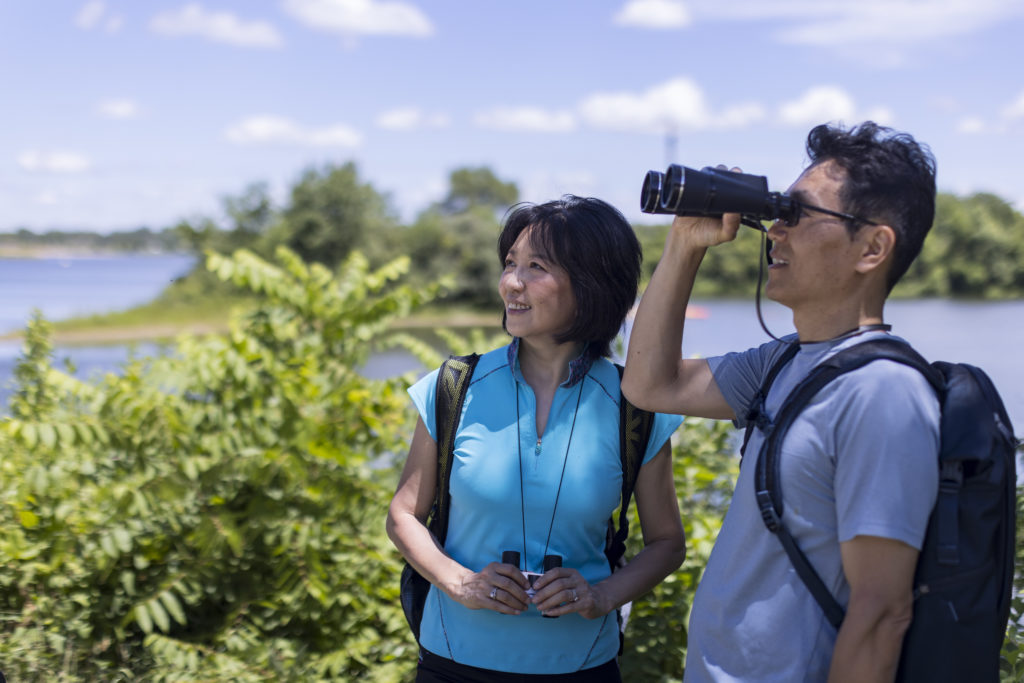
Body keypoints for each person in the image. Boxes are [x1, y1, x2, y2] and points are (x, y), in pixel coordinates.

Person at [622, 122, 940, 682]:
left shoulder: (881, 391)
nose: (774, 232)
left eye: (798, 215)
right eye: (777, 213)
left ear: (873, 247)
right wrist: (684, 244)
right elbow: (650, 385)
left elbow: (882, 612)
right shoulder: (781, 364)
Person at [387, 195, 687, 682]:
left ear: (591, 284)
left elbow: (667, 543)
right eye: (509, 264)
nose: (512, 282)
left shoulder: (637, 404)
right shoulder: (454, 387)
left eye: (536, 267)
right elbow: (403, 516)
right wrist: (459, 582)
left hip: (584, 668)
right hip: (452, 665)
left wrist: (601, 595)